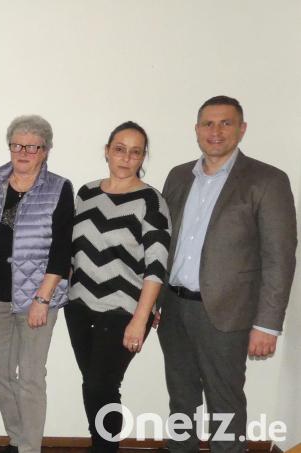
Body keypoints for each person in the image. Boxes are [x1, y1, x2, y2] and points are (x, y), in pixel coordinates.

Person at [158, 96, 296, 453]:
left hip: (226, 315)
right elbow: (163, 242)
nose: (215, 131)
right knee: (181, 398)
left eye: (225, 123)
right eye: (208, 123)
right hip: (173, 309)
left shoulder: (267, 180)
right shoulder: (178, 176)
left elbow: (280, 257)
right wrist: (155, 302)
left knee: (225, 404)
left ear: (242, 129)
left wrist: (268, 325)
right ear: (196, 129)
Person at [66, 122, 171, 452]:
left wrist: (141, 318)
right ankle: (100, 443)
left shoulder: (151, 201)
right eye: (120, 149)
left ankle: (105, 447)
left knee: (103, 385)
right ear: (107, 151)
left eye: (135, 152)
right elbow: (72, 251)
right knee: (93, 385)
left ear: (143, 157)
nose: (126, 158)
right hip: (79, 307)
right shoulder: (86, 193)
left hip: (124, 311)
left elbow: (156, 266)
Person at [0, 115, 73, 453]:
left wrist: (43, 299)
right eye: (17, 145)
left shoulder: (59, 188)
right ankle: (18, 438)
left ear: (45, 151)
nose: (23, 152)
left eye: (32, 147)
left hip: (38, 298)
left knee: (31, 377)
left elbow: (62, 249)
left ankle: (30, 448)